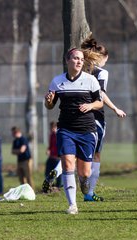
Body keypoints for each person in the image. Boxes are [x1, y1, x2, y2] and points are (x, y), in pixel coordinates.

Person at [44, 48, 103, 214]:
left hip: (86, 131)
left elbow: (99, 102)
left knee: (84, 173)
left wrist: (90, 105)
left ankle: (84, 183)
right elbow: (50, 106)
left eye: (81, 59)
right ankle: (72, 205)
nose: (79, 62)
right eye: (76, 58)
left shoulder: (90, 80)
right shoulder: (57, 81)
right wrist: (48, 101)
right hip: (65, 130)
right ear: (67, 60)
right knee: (68, 164)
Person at [81, 36, 126, 201]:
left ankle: (57, 171)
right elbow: (100, 94)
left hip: (78, 115)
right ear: (102, 57)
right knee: (96, 155)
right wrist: (115, 108)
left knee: (75, 153)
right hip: (95, 118)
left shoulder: (80, 70)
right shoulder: (102, 72)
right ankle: (89, 193)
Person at [42, 121, 62, 192]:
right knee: (47, 172)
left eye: (53, 128)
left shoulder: (59, 135)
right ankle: (49, 186)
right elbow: (50, 146)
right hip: (51, 157)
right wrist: (48, 150)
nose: (52, 129)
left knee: (58, 173)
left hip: (57, 158)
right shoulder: (51, 135)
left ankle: (59, 187)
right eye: (51, 128)